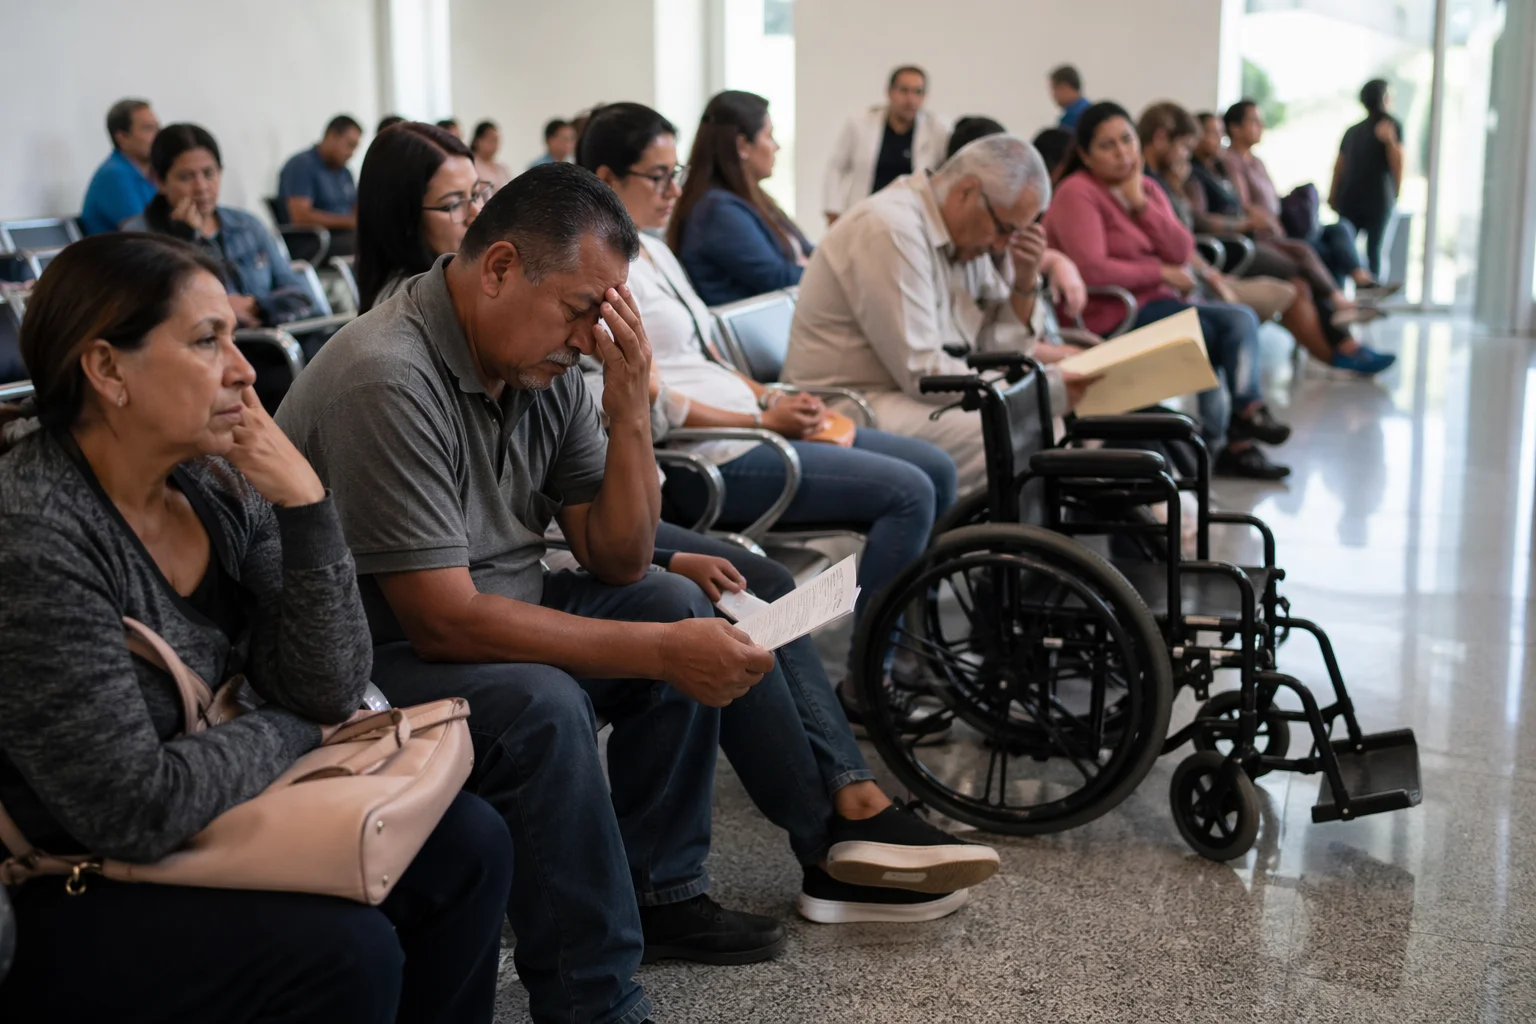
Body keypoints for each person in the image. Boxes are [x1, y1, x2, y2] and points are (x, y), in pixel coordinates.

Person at [279, 162, 999, 1024]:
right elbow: (443, 620)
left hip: (473, 618)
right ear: (500, 267)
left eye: (605, 314)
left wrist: (627, 409)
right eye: (582, 310)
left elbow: (617, 559)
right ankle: (596, 1000)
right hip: (365, 664)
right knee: (546, 700)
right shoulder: (388, 373)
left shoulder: (540, 361)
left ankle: (663, 891)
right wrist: (661, 653)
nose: (591, 336)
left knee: (670, 599)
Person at [0, 233, 511, 1022]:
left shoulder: (212, 477)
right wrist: (299, 725)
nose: (244, 370)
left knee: (468, 843)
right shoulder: (35, 531)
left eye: (234, 338)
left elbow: (332, 681)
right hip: (76, 877)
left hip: (220, 808)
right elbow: (132, 810)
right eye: (207, 342)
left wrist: (307, 508)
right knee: (344, 954)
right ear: (106, 370)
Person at [579, 101, 962, 725]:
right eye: (658, 176)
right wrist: (763, 422)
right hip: (715, 455)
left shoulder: (653, 251)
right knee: (912, 492)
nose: (675, 189)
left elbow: (704, 350)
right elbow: (653, 399)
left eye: (676, 173)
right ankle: (870, 680)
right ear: (606, 178)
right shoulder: (605, 267)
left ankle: (917, 653)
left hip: (751, 423)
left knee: (936, 468)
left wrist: (768, 396)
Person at [784, 134, 1095, 492]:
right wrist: (1039, 390)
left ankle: (1018, 542)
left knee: (1037, 424)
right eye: (1005, 229)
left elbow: (991, 345)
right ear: (967, 191)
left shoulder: (963, 238)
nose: (1000, 246)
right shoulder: (890, 228)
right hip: (848, 403)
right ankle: (999, 545)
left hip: (896, 393)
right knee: (1013, 433)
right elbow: (923, 372)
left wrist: (1025, 283)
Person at [1044, 102, 1292, 481]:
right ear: (1085, 154)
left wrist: (1142, 205)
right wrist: (1158, 271)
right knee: (1217, 331)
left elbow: (1180, 248)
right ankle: (1237, 431)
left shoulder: (1142, 187)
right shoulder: (1077, 193)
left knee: (1235, 321)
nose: (1122, 152)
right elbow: (1092, 267)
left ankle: (1243, 418)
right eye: (1107, 146)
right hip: (1111, 313)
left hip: (1158, 305)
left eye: (1127, 140)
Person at [1137, 103, 1395, 375]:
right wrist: (1241, 228)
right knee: (1299, 267)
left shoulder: (1193, 175)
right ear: (1161, 139)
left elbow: (1185, 231)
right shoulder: (1177, 180)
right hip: (1226, 249)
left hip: (1220, 251)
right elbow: (1190, 228)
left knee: (1320, 252)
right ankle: (1340, 340)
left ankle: (1344, 344)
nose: (1186, 155)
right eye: (1187, 145)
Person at [124, 124, 316, 329]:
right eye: (186, 177)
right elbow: (154, 316)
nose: (201, 187)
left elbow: (301, 294)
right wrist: (188, 238)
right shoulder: (141, 238)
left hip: (272, 341)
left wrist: (257, 306)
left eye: (209, 173)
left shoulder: (247, 225)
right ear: (160, 181)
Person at [1222, 100, 1397, 299]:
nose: (1261, 126)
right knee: (1331, 253)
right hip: (1271, 233)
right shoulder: (1231, 161)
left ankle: (1361, 279)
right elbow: (1243, 204)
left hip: (1285, 225)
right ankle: (1339, 303)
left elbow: (1272, 199)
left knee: (1341, 228)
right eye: (1254, 121)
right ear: (1235, 128)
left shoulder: (1256, 162)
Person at [670, 91, 815, 306]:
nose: (776, 146)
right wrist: (831, 274)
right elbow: (776, 278)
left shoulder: (752, 197)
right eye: (769, 136)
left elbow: (808, 251)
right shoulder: (718, 211)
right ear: (742, 145)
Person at [822, 66, 950, 227]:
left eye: (918, 92)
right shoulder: (860, 123)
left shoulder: (938, 130)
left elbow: (945, 176)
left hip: (912, 220)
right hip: (866, 215)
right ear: (889, 92)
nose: (910, 99)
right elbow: (836, 167)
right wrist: (833, 211)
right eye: (904, 90)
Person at [1331, 79, 1403, 280]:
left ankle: (1345, 298)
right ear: (1385, 98)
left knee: (1346, 250)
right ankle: (1370, 302)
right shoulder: (1391, 125)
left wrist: (1333, 195)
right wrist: (1396, 193)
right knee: (1374, 253)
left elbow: (1338, 167)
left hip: (1350, 198)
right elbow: (1399, 162)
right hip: (1378, 200)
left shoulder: (1352, 131)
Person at [277, 115, 362, 254]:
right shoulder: (302, 166)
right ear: (332, 136)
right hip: (313, 241)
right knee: (371, 245)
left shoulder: (345, 172)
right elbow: (300, 217)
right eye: (349, 145)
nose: (352, 153)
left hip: (343, 236)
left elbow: (354, 210)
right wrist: (348, 222)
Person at [80, 98, 161, 234]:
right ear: (122, 137)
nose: (158, 135)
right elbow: (145, 234)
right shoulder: (114, 175)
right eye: (148, 128)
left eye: (158, 127)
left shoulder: (150, 173)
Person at [470, 120, 513, 191]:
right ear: (478, 141)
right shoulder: (471, 167)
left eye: (496, 140)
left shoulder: (502, 168)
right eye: (490, 140)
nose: (494, 145)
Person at [1049, 65, 1091, 130]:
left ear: (1064, 87)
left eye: (1054, 89)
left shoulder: (1071, 118)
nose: (1053, 95)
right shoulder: (1090, 109)